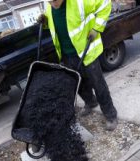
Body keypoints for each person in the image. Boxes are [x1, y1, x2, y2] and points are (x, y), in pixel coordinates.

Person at [38, 0, 118, 131]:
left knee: (98, 85)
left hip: (87, 52)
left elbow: (105, 4)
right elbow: (55, 25)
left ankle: (111, 115)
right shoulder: (49, 7)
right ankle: (91, 102)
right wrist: (45, 22)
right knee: (78, 83)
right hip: (66, 54)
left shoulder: (79, 2)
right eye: (50, 1)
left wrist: (96, 28)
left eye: (55, 1)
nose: (53, 4)